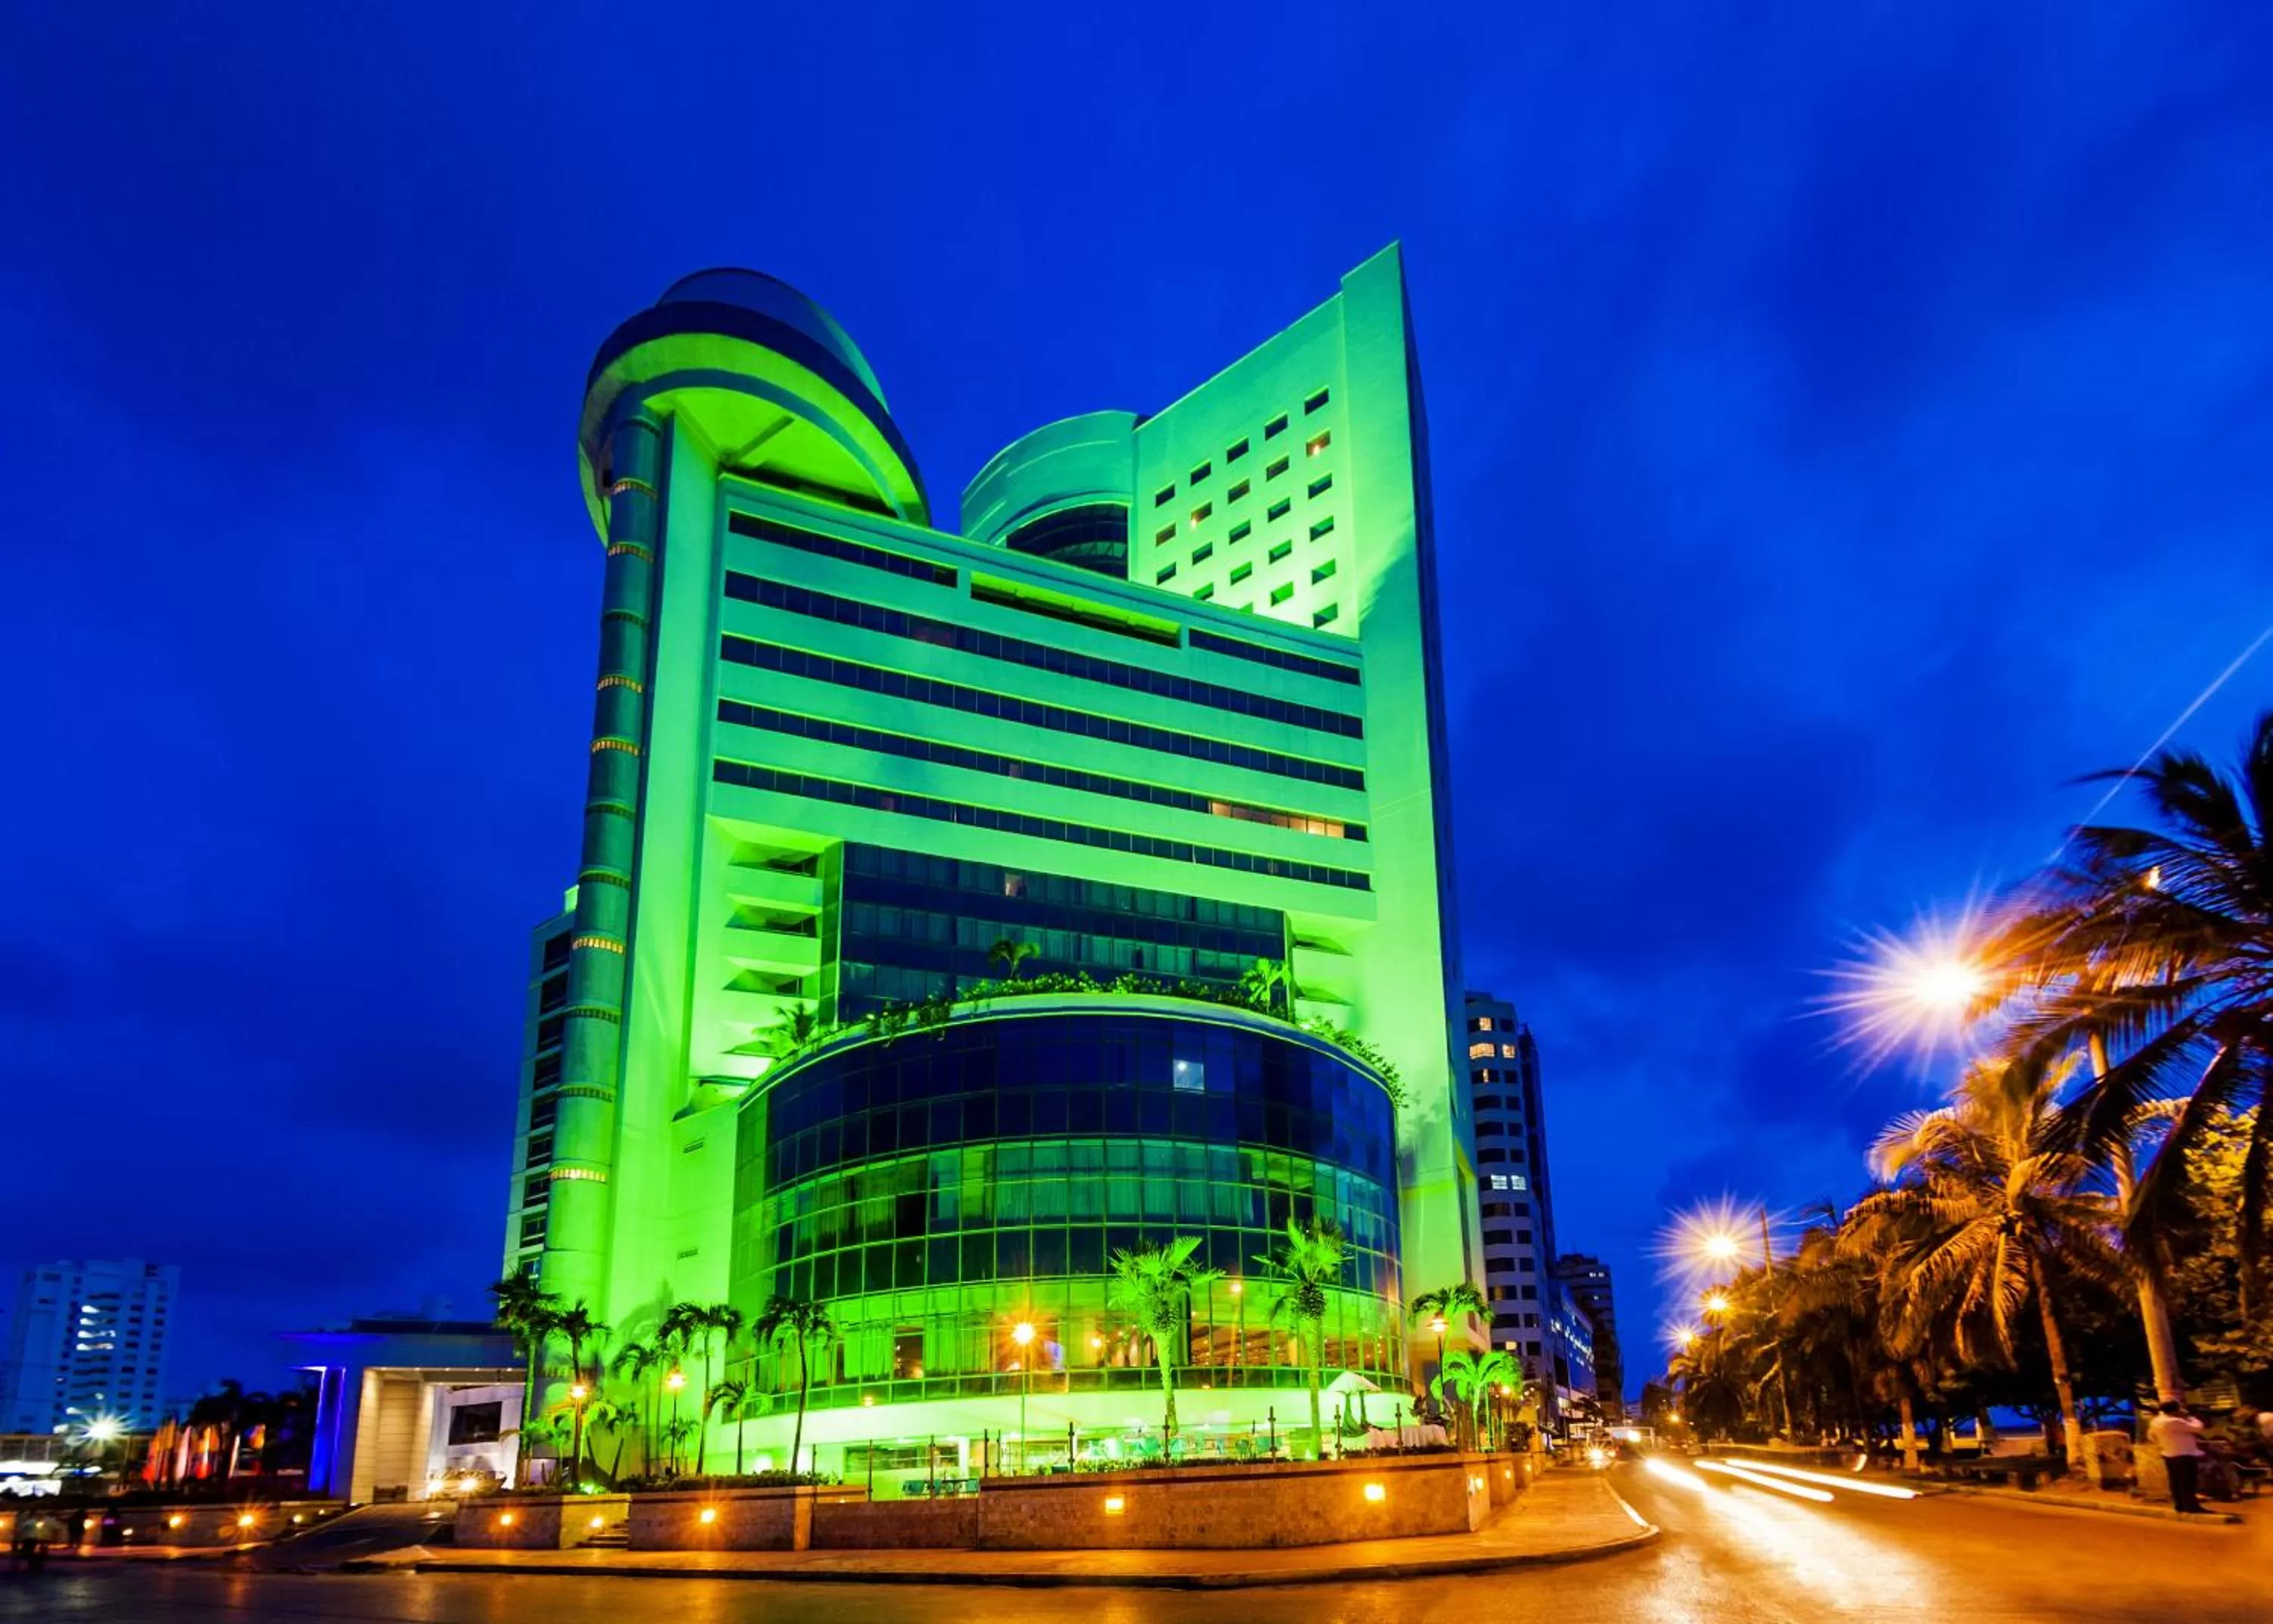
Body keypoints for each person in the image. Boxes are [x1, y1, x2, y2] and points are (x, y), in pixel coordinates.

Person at [2146, 1400, 2207, 1513]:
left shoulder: (2156, 1421)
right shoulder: (2174, 1421)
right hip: (2184, 1454)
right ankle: (2190, 1506)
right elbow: (2198, 1428)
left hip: (2169, 1454)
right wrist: (2190, 1417)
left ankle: (2180, 1505)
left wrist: (2163, 1444)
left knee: (2175, 1481)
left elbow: (2151, 1436)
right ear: (2175, 1410)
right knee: (2188, 1482)